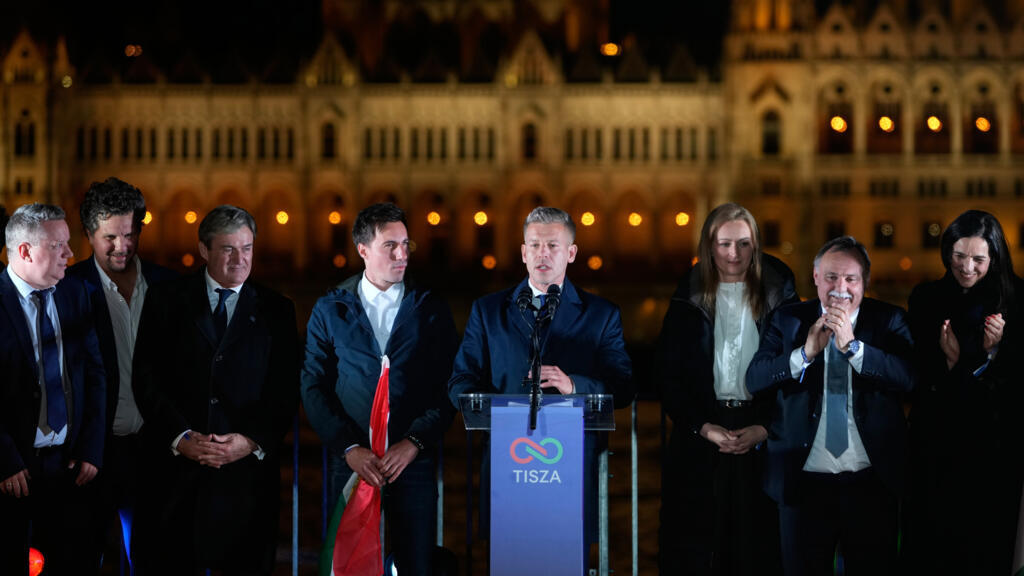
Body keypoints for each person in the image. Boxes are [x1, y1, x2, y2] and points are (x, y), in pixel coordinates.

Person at [448, 206, 634, 548]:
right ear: (522, 252)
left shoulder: (603, 315)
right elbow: (460, 381)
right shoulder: (487, 311)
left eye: (552, 245)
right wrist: (490, 408)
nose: (542, 254)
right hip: (508, 467)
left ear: (571, 252)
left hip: (572, 470)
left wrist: (573, 386)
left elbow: (623, 387)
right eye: (534, 245)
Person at [132, 205, 299, 575]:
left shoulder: (277, 311)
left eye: (247, 248)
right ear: (205, 250)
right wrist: (180, 436)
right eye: (228, 249)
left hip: (246, 485)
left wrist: (251, 440)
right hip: (176, 479)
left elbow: (284, 389)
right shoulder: (165, 300)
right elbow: (146, 377)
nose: (240, 259)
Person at [302, 202, 457, 575]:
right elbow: (313, 384)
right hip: (353, 464)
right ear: (363, 250)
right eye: (391, 245)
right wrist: (348, 447)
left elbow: (450, 383)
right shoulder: (331, 309)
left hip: (411, 464)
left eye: (406, 244)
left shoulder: (429, 307)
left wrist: (415, 442)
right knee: (350, 565)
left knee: (415, 565)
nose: (403, 254)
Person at [746, 236, 915, 576]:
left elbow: (909, 378)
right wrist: (805, 353)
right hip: (803, 482)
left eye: (851, 279)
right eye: (832, 277)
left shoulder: (890, 320)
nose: (841, 288)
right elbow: (755, 380)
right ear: (816, 278)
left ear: (865, 281)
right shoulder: (788, 320)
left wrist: (854, 348)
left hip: (870, 484)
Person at [657, 203, 797, 576]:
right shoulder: (688, 292)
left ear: (756, 245)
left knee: (760, 548)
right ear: (709, 246)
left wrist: (766, 427)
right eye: (724, 244)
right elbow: (669, 374)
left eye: (743, 244)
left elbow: (797, 372)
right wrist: (702, 426)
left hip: (761, 431)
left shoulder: (778, 289)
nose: (733, 255)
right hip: (703, 430)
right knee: (697, 546)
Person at [904, 210, 1023, 576]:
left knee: (986, 550)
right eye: (958, 255)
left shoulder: (1017, 300)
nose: (966, 267)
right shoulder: (926, 298)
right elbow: (918, 374)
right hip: (936, 447)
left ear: (995, 257)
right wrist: (955, 366)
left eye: (978, 259)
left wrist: (986, 356)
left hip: (994, 453)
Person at [66, 178, 176, 573]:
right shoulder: (68, 289)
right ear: (89, 234)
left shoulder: (168, 287)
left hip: (153, 452)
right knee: (81, 557)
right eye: (110, 237)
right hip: (90, 455)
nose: (122, 246)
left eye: (130, 235)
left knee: (152, 561)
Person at [0, 203, 106, 576]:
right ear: (26, 251)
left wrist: (92, 448)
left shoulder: (75, 293)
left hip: (69, 468)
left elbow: (95, 375)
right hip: (12, 473)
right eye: (59, 245)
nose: (71, 254)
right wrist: (5, 460)